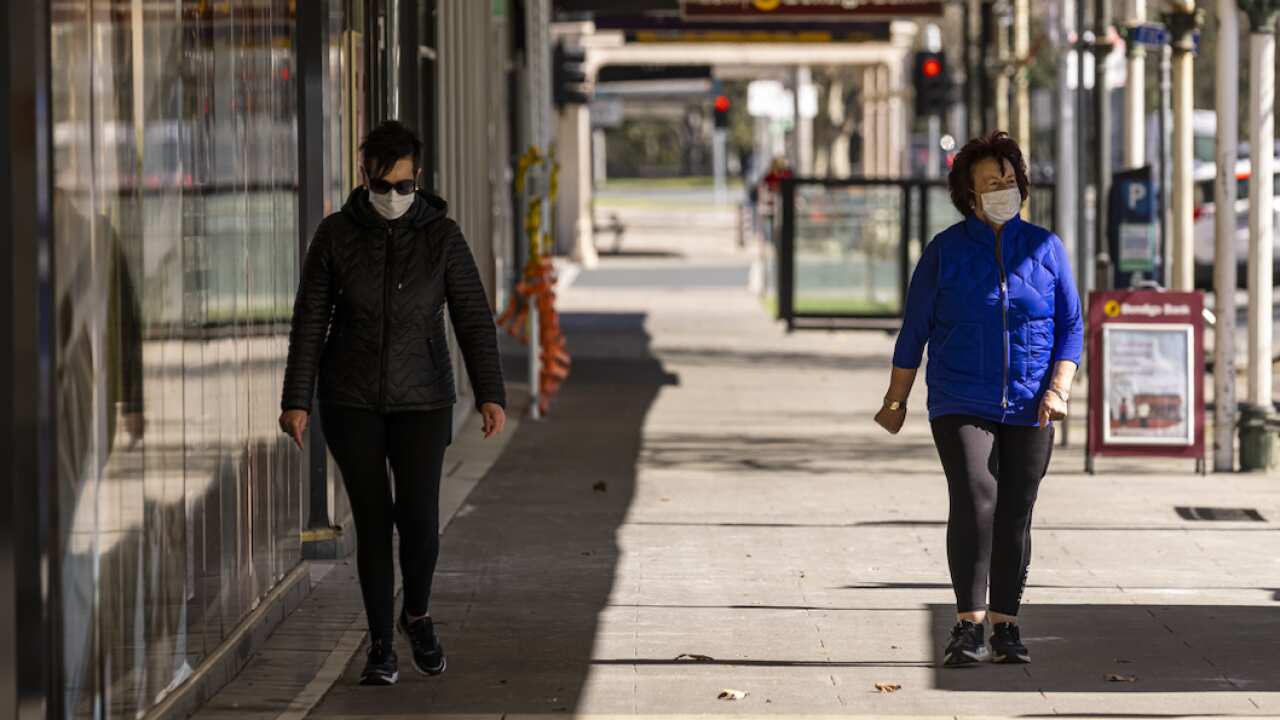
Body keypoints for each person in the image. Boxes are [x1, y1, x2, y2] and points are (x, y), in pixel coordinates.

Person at [279, 120, 507, 685]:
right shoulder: (335, 235)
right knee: (374, 523)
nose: (393, 198)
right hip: (350, 398)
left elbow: (473, 318)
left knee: (421, 521)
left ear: (419, 179)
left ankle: (418, 615)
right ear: (365, 178)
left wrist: (490, 393)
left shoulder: (442, 237)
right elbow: (310, 319)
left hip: (424, 399)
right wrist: (296, 398)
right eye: (382, 187)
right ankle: (380, 644)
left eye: (403, 187)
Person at [874, 131, 1082, 667]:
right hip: (960, 397)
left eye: (1010, 181)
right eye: (992, 183)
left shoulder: (1046, 248)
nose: (1003, 190)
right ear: (969, 194)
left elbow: (1071, 325)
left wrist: (1059, 388)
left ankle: (1006, 626)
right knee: (975, 498)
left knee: (1016, 511)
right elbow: (914, 330)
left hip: (1033, 400)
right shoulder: (944, 252)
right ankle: (968, 625)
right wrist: (895, 400)